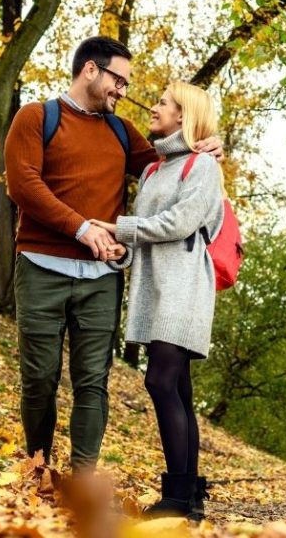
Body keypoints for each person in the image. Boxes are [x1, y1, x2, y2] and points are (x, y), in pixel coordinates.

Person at [4, 37, 221, 473]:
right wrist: (82, 228)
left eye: (126, 83)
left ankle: (82, 478)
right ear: (90, 70)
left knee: (92, 383)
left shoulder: (121, 132)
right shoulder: (36, 118)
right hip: (40, 268)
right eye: (117, 80)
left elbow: (172, 163)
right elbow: (23, 185)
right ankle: (37, 467)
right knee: (39, 380)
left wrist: (208, 143)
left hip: (101, 278)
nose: (123, 91)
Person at [91, 81, 224, 519]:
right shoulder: (152, 171)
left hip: (185, 287)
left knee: (160, 382)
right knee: (179, 387)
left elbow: (181, 222)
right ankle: (189, 498)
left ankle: (175, 499)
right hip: (153, 287)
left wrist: (120, 229)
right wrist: (119, 250)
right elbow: (145, 229)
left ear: (184, 115)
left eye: (164, 102)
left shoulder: (203, 167)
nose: (154, 105)